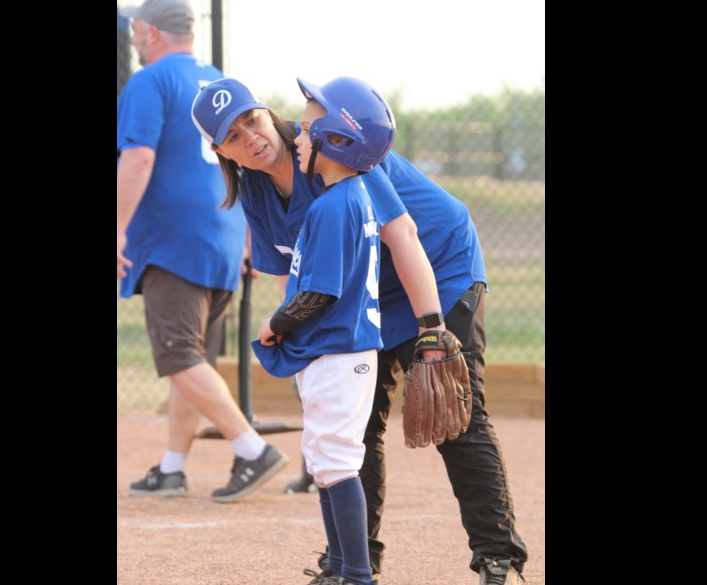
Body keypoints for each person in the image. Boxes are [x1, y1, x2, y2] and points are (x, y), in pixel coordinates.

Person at [191, 75, 529, 584]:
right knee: (355, 426)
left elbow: (405, 236)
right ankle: (353, 563)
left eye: (251, 119)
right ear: (221, 152)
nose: (250, 136)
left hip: (436, 271)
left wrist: (432, 328)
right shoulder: (257, 195)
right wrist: (306, 349)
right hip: (367, 296)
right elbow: (296, 277)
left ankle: (498, 557)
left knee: (455, 417)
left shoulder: (335, 144)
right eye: (233, 136)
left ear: (266, 112)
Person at [116, 0, 289, 503]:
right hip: (225, 236)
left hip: (173, 240)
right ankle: (172, 468)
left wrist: (118, 225)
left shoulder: (151, 80)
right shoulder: (217, 80)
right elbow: (251, 160)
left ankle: (251, 449)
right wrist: (253, 233)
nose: (133, 40)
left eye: (135, 31)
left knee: (178, 355)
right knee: (193, 360)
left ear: (150, 33)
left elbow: (139, 158)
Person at [251, 76, 391, 585]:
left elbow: (319, 294)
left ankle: (356, 574)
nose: (298, 138)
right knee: (327, 462)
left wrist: (274, 324)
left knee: (335, 463)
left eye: (308, 130)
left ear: (337, 140)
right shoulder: (342, 198)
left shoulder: (336, 205)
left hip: (339, 352)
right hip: (335, 352)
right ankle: (341, 568)